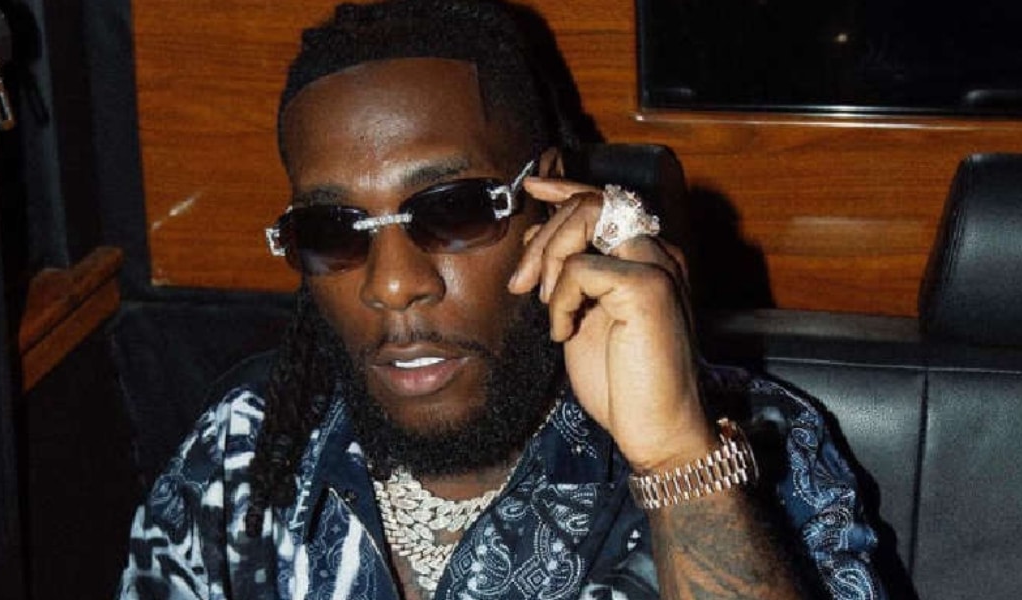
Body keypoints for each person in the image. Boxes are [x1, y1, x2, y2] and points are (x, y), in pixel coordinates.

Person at [119, 1, 884, 598]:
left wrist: (675, 455)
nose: (392, 284)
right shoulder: (244, 452)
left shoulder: (765, 445)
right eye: (331, 230)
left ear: (546, 198)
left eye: (453, 210)